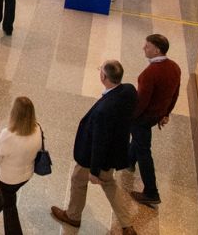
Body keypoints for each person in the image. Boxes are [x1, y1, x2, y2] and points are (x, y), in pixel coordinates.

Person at [51, 60, 138, 235]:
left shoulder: (103, 110)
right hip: (115, 152)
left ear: (103, 77)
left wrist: (94, 171)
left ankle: (73, 216)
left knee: (78, 179)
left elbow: (99, 142)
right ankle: (127, 225)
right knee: (109, 184)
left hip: (94, 158)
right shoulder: (129, 90)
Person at [127, 34, 181, 208]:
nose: (144, 48)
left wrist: (130, 117)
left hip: (143, 118)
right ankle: (128, 161)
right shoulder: (174, 67)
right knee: (138, 141)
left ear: (157, 50)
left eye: (147, 46)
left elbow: (142, 102)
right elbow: (175, 93)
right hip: (157, 115)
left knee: (144, 151)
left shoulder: (150, 74)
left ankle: (151, 192)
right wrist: (166, 113)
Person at [0, 97, 42, 234]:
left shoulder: (7, 135)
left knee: (9, 207)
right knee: (4, 195)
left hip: (8, 179)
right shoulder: (38, 129)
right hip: (26, 175)